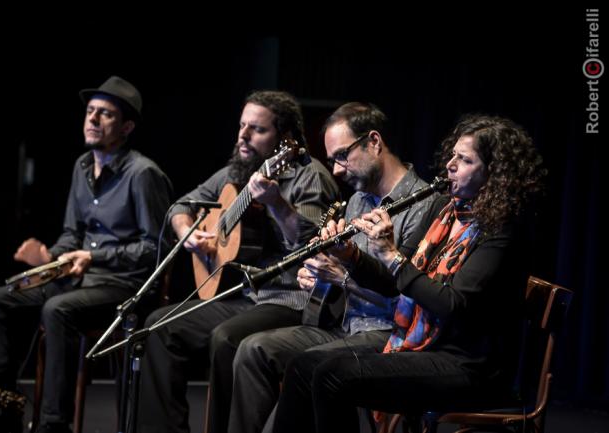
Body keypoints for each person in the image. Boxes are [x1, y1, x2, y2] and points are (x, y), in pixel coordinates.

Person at [271, 114, 546, 433]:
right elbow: (392, 285)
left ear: (494, 174)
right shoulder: (443, 211)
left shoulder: (502, 231)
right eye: (453, 155)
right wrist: (352, 255)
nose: (451, 165)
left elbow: (452, 305)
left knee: (333, 375)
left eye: (465, 159)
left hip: (469, 365)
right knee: (303, 366)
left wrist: (391, 255)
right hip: (427, 345)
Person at [0, 76, 174, 433]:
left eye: (105, 114)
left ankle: (53, 424)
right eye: (90, 112)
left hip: (124, 286)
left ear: (126, 127)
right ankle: (3, 409)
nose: (92, 119)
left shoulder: (143, 174)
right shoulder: (81, 166)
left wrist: (96, 256)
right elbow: (72, 234)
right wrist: (49, 256)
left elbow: (156, 247)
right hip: (77, 278)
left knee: (57, 309)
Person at [136, 90, 341, 433]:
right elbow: (180, 206)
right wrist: (189, 231)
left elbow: (312, 245)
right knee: (158, 326)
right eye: (242, 126)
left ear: (284, 139)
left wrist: (276, 203)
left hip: (290, 298)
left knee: (226, 338)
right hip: (246, 296)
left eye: (257, 129)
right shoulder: (238, 171)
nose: (243, 136)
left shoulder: (310, 176)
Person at [227, 102, 434, 433]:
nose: (337, 170)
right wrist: (319, 278)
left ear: (374, 142)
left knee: (307, 368)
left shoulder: (423, 205)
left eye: (342, 156)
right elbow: (345, 275)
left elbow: (410, 297)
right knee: (253, 349)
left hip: (385, 332)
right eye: (332, 160)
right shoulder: (356, 200)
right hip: (344, 325)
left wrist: (344, 278)